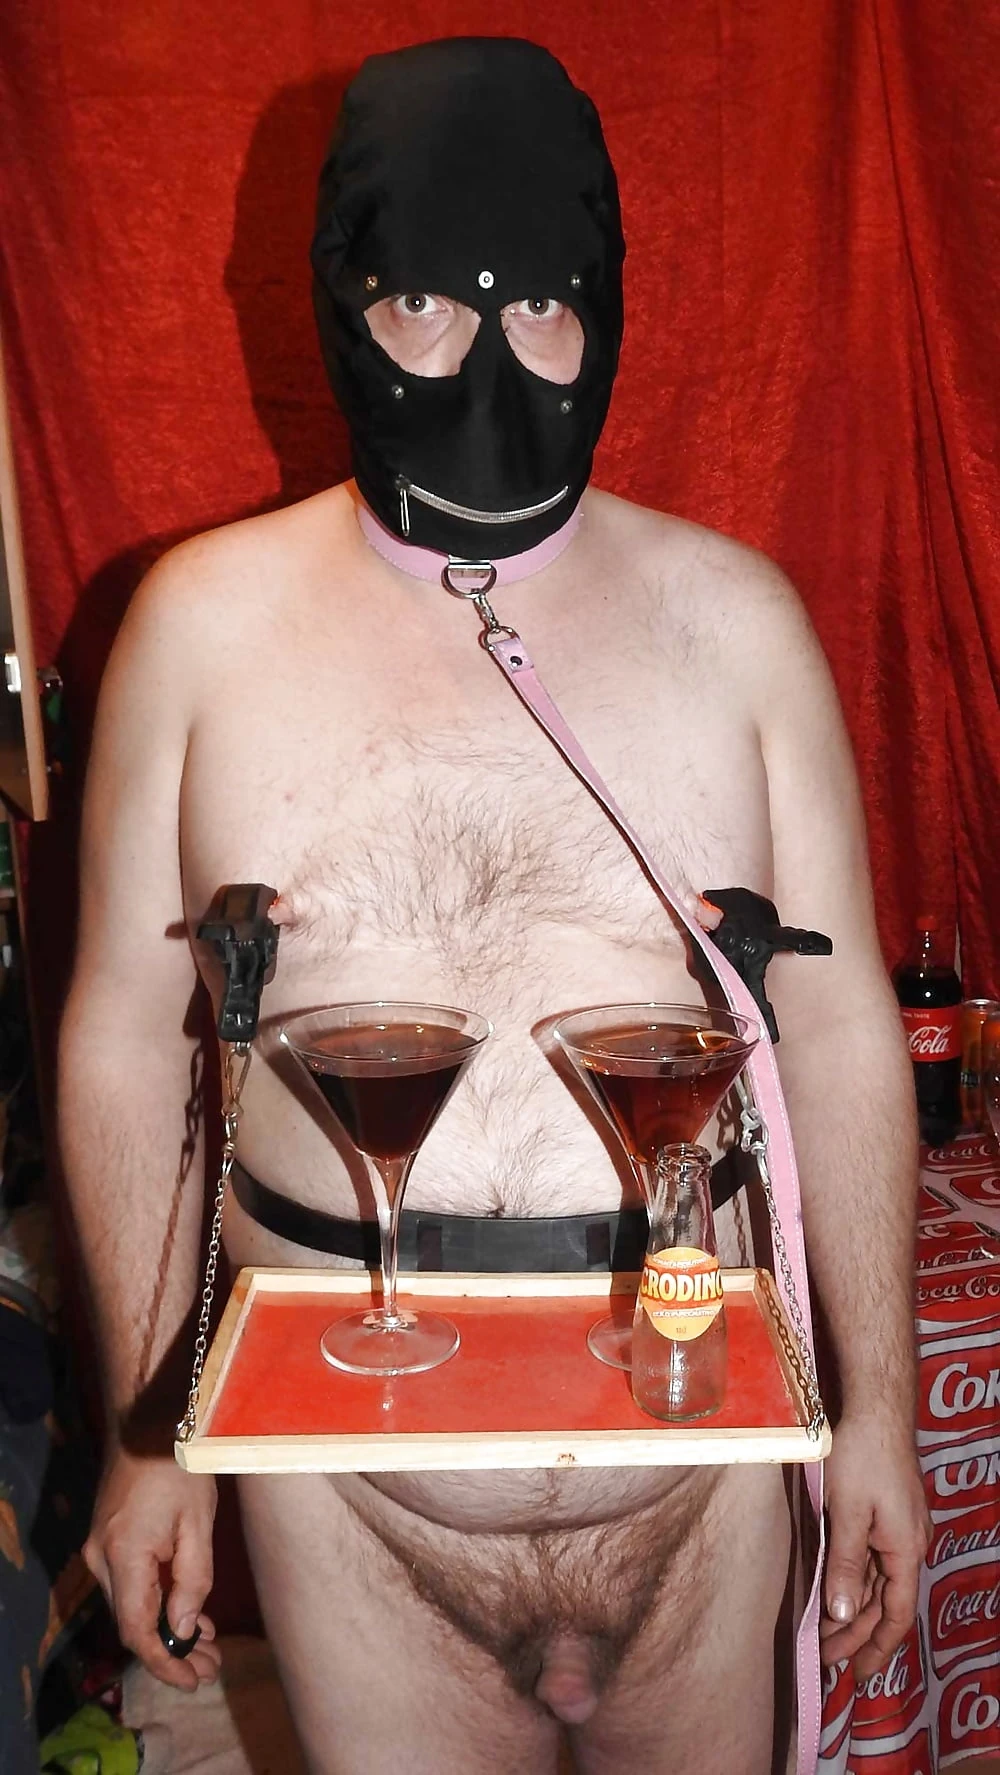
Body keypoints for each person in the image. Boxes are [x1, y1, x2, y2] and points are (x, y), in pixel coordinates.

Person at [59, 37, 930, 1775]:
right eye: (425, 308)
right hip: (355, 1507)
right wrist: (153, 1431)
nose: (490, 359)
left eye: (541, 307)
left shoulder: (740, 624)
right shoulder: (198, 629)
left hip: (706, 1471)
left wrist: (884, 1412)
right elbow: (124, 1045)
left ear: (607, 302)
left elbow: (838, 1029)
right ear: (341, 300)